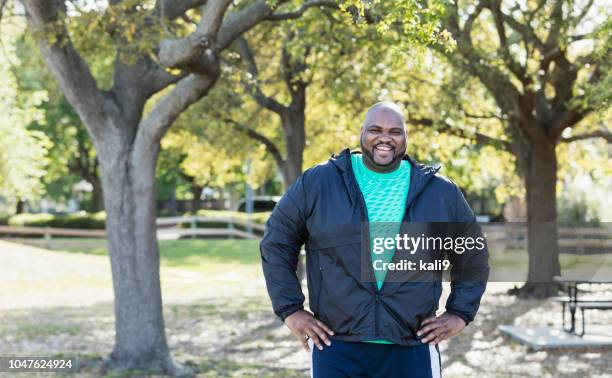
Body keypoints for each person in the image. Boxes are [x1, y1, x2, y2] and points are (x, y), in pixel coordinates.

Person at [260, 102, 489, 377]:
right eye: (375, 130)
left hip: (412, 345)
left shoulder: (440, 191)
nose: (385, 138)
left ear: (405, 137)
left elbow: (473, 253)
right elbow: (277, 242)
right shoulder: (319, 182)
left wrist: (460, 313)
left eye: (395, 131)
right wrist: (290, 310)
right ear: (361, 133)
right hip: (337, 345)